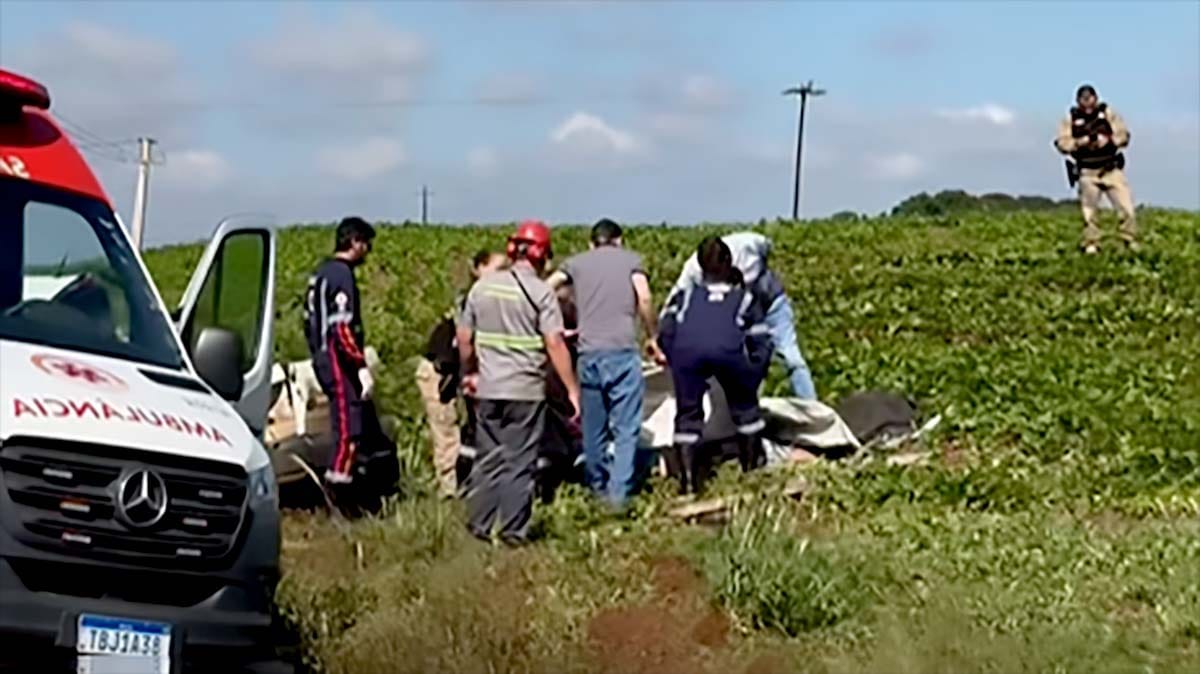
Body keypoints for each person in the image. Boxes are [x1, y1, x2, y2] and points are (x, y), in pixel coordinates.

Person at [456, 220, 581, 545]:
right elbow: (555, 344)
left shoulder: (481, 288)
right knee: (519, 462)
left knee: (488, 457)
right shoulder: (541, 293)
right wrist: (571, 389)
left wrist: (469, 372)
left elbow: (465, 338)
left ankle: (479, 525)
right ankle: (513, 531)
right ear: (542, 255)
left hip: (488, 389)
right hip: (525, 390)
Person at [547, 218, 663, 508]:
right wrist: (653, 335)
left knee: (593, 428)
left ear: (591, 243)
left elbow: (546, 288)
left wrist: (556, 325)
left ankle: (595, 486)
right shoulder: (632, 261)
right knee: (625, 428)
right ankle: (618, 496)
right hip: (622, 351)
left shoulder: (576, 263)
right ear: (619, 240)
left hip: (588, 353)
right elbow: (645, 298)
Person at [658, 237, 773, 495]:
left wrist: (677, 360)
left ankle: (687, 484)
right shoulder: (743, 298)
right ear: (729, 263)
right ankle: (751, 473)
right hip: (727, 351)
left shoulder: (684, 297)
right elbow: (761, 341)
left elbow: (666, 331)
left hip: (687, 352)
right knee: (745, 408)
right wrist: (754, 372)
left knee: (688, 415)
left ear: (699, 266)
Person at [667, 231, 816, 399]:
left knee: (791, 357)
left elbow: (767, 248)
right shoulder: (692, 270)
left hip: (769, 302)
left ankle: (813, 408)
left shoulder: (748, 244)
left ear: (729, 260)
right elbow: (673, 303)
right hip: (737, 315)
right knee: (744, 365)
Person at [415, 250, 504, 498]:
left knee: (465, 429)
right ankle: (449, 491)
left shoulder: (483, 298)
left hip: (457, 370)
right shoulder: (472, 300)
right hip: (439, 370)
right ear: (478, 268)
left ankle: (467, 483)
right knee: (446, 430)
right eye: (497, 269)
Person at [302, 216, 379, 486]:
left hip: (322, 357)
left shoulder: (320, 273)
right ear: (355, 242)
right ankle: (339, 494)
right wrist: (359, 365)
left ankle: (338, 486)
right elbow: (342, 329)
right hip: (338, 361)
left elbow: (308, 323)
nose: (367, 251)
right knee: (349, 429)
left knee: (340, 425)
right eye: (366, 244)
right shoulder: (341, 274)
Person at [1055, 83, 1138, 254]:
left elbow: (1124, 135)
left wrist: (1108, 140)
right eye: (1083, 99)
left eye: (1089, 98)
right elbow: (1062, 143)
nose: (1087, 103)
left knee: (1127, 208)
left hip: (1111, 169)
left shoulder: (1108, 114)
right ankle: (1091, 243)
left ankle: (1129, 240)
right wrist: (1080, 143)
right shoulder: (1070, 119)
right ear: (1078, 101)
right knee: (1089, 213)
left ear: (1095, 98)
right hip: (1087, 171)